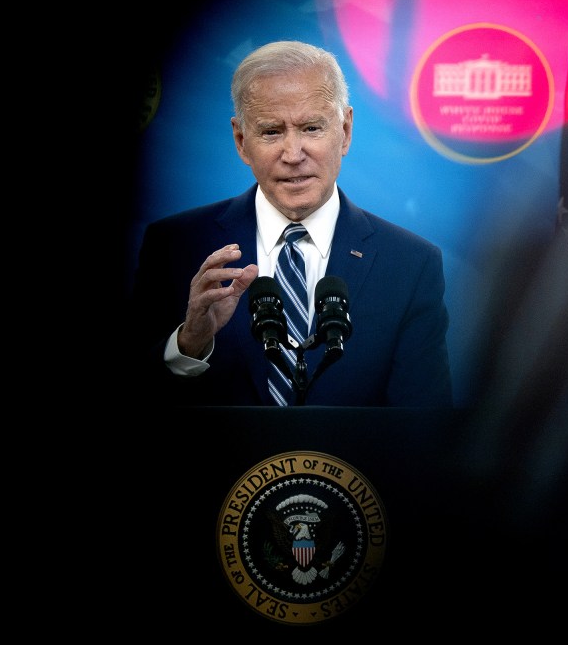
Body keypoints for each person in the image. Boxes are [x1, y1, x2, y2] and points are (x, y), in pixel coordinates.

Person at [128, 40, 452, 407]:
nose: (294, 155)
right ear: (241, 140)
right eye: (271, 132)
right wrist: (189, 343)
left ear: (345, 131)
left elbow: (425, 429)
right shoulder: (175, 245)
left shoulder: (410, 264)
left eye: (312, 128)